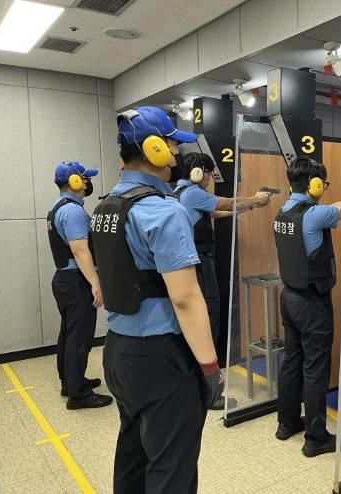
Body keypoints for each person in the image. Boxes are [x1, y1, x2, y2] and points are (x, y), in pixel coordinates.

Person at [92, 106, 224, 494]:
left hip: (118, 351)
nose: (177, 153)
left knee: (132, 456)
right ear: (154, 149)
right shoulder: (163, 212)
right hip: (161, 358)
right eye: (172, 144)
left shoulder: (105, 207)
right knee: (171, 468)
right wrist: (210, 368)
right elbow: (185, 298)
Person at [273, 156, 341, 457]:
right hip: (311, 302)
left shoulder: (283, 212)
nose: (324, 188)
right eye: (322, 183)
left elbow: (334, 206)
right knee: (315, 369)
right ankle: (316, 437)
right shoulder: (313, 215)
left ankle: (286, 423)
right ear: (313, 184)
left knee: (292, 361)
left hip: (289, 298)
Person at [174, 152, 271, 376]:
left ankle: (195, 371)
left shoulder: (178, 192)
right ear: (197, 173)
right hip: (200, 260)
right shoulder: (192, 193)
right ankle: (207, 373)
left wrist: (249, 207)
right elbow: (226, 203)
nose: (209, 179)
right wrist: (255, 199)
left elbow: (215, 212)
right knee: (210, 311)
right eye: (208, 174)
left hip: (192, 260)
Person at [47, 161, 113, 410]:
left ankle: (70, 382)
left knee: (68, 334)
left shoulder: (57, 207)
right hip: (76, 281)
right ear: (74, 182)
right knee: (80, 337)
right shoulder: (73, 211)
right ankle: (78, 394)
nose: (88, 183)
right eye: (85, 178)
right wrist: (95, 283)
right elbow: (79, 249)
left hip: (64, 280)